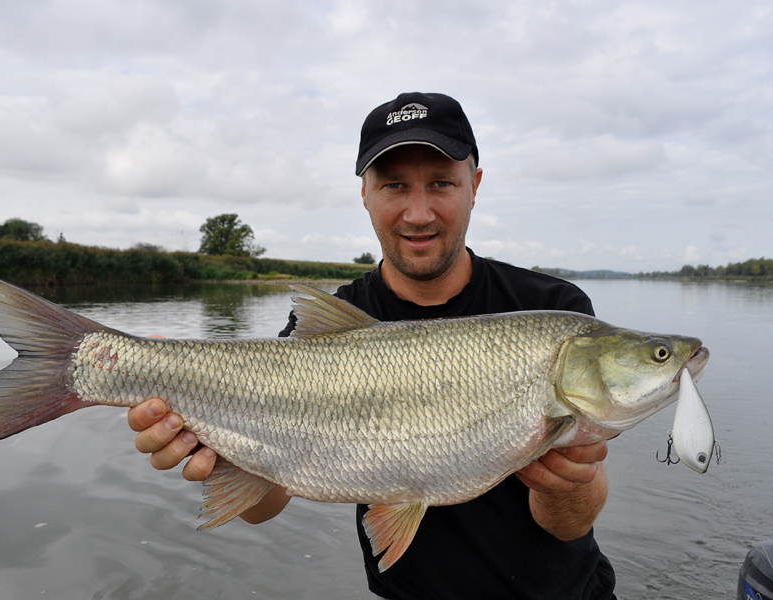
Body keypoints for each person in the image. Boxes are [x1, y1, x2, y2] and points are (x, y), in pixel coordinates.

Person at [127, 92, 616, 599]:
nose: (418, 214)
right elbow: (263, 505)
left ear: (475, 186)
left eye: (441, 183)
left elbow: (568, 524)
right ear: (365, 193)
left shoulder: (552, 313)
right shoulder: (334, 319)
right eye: (395, 185)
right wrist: (208, 441)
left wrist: (568, 479)